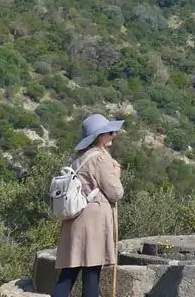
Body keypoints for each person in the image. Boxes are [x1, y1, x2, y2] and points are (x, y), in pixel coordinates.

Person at [54, 113, 125, 297]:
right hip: (93, 223)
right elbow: (115, 192)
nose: (113, 135)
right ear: (99, 136)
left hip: (76, 218)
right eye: (109, 132)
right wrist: (116, 174)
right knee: (92, 272)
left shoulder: (78, 158)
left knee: (69, 272)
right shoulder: (101, 158)